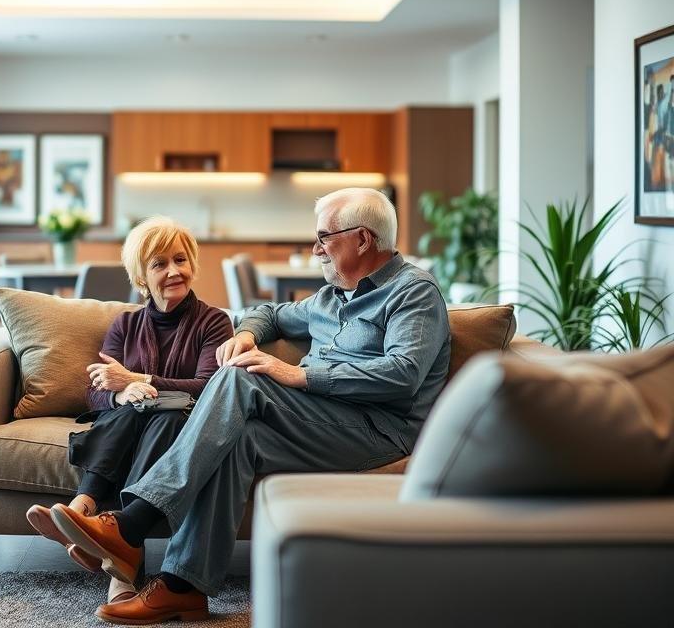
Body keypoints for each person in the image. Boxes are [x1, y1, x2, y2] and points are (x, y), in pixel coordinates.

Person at [50, 187, 452, 624]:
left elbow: (403, 374)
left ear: (362, 239)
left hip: (377, 428)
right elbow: (268, 313)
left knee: (239, 377)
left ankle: (131, 525)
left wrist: (298, 375)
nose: (316, 249)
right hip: (321, 419)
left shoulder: (413, 292)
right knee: (237, 438)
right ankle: (184, 588)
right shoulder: (330, 297)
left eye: (324, 237)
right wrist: (245, 334)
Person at [24, 216, 232, 604]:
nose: (174, 271)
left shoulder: (214, 322)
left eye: (180, 260)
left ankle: (100, 536)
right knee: (128, 410)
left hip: (179, 423)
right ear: (141, 278)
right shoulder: (125, 324)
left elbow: (210, 387)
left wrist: (137, 379)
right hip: (125, 423)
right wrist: (122, 394)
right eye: (160, 264)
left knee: (163, 417)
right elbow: (95, 392)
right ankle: (85, 518)